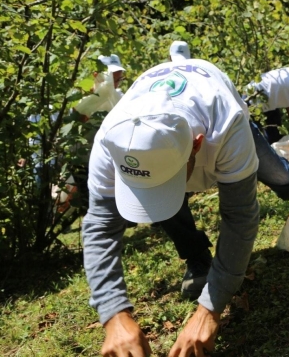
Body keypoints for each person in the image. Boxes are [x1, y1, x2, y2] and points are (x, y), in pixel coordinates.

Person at [83, 58, 260, 357]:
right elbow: (100, 226)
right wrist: (114, 315)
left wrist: (209, 310)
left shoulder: (226, 122)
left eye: (167, 180)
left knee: (276, 174)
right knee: (167, 207)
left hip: (221, 110)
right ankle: (198, 259)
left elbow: (240, 216)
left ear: (196, 144)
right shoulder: (109, 140)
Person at [169, 41, 289, 200]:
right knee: (276, 176)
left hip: (226, 128)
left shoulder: (203, 71)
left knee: (278, 175)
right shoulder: (205, 69)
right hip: (221, 129)